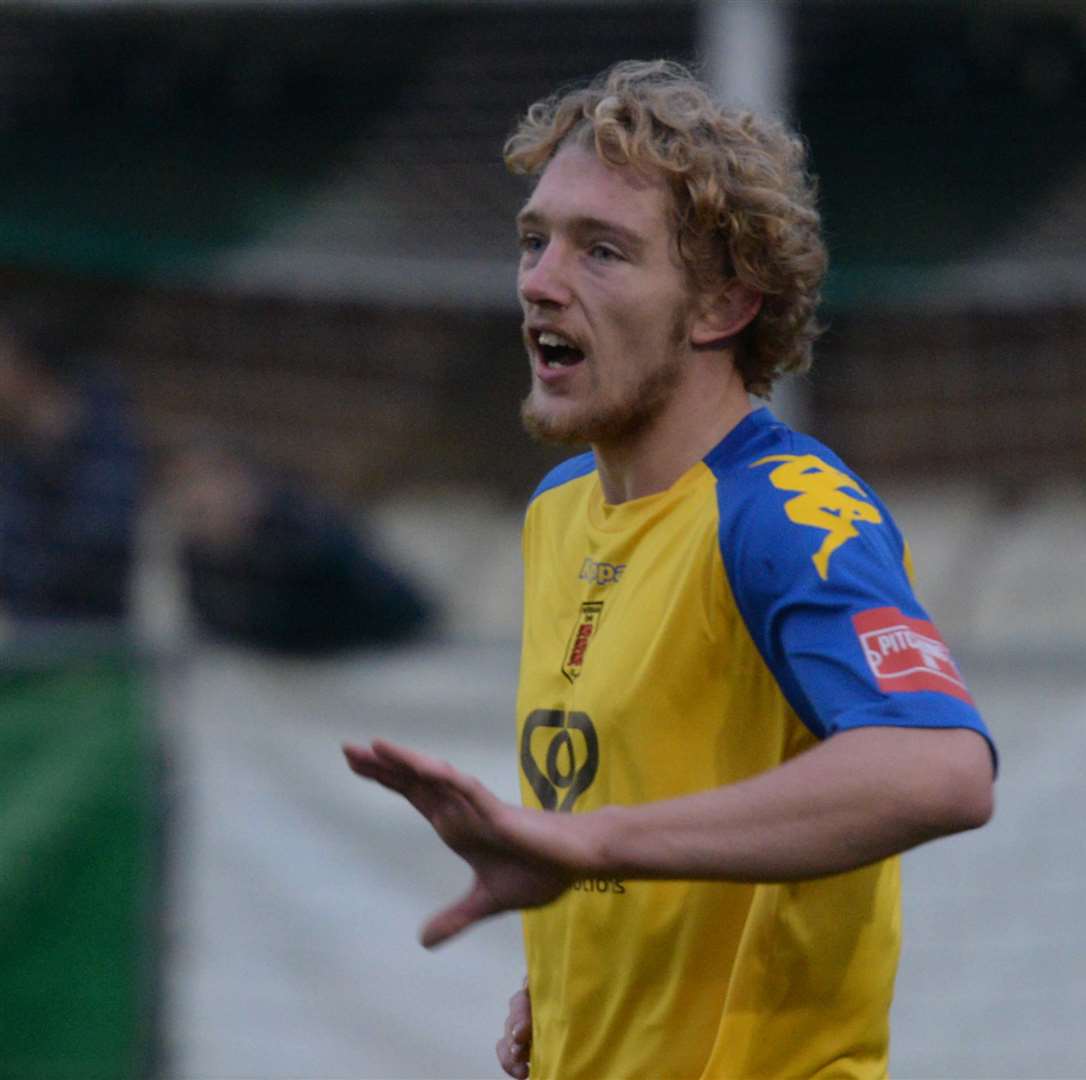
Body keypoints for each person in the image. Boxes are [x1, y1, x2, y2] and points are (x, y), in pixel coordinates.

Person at [344, 59, 997, 1079]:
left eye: (601, 251)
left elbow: (940, 770)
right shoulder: (559, 512)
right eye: (533, 240)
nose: (539, 281)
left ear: (721, 305)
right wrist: (569, 992)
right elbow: (640, 819)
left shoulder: (782, 511)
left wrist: (592, 846)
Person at [165, 439, 436, 657]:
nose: (195, 496)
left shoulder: (310, 539)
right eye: (183, 483)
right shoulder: (198, 554)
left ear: (243, 483)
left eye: (205, 481)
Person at [0, 312, 142, 628]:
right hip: (27, 641)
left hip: (103, 642)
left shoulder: (111, 442)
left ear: (30, 368)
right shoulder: (13, 449)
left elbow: (98, 547)